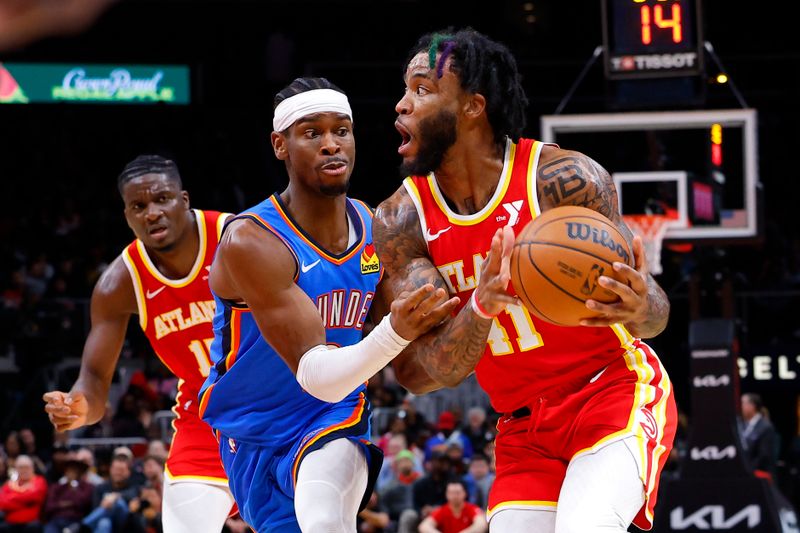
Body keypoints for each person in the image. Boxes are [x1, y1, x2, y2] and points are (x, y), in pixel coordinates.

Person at [372, 27, 677, 532]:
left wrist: (641, 304)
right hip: (522, 429)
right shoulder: (402, 220)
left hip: (610, 393)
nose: (402, 106)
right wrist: (480, 308)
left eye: (422, 90)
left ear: (473, 106)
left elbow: (658, 315)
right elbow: (419, 374)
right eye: (404, 91)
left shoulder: (564, 180)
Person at [197, 77, 459, 532]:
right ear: (280, 145)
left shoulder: (373, 225)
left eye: (342, 130)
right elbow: (317, 373)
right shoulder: (251, 240)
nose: (330, 144)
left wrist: (483, 308)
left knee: (323, 521)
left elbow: (405, 358)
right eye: (312, 133)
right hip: (252, 433)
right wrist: (397, 331)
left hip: (331, 416)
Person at [42, 154, 236, 532]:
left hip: (279, 405)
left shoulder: (236, 235)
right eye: (138, 206)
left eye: (161, 199)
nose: (151, 213)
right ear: (127, 216)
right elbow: (95, 379)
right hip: (205, 417)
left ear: (184, 200)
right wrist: (79, 407)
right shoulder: (119, 284)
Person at [418, 479, 487, 533]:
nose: (454, 496)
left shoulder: (472, 508)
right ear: (446, 494)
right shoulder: (442, 510)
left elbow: (482, 524)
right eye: (451, 493)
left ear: (465, 493)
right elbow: (424, 526)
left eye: (458, 492)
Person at [739, 392, 779, 478]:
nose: (740, 406)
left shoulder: (765, 427)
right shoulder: (741, 425)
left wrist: (748, 469)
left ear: (752, 405)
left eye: (742, 403)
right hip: (744, 474)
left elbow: (764, 455)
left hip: (759, 475)